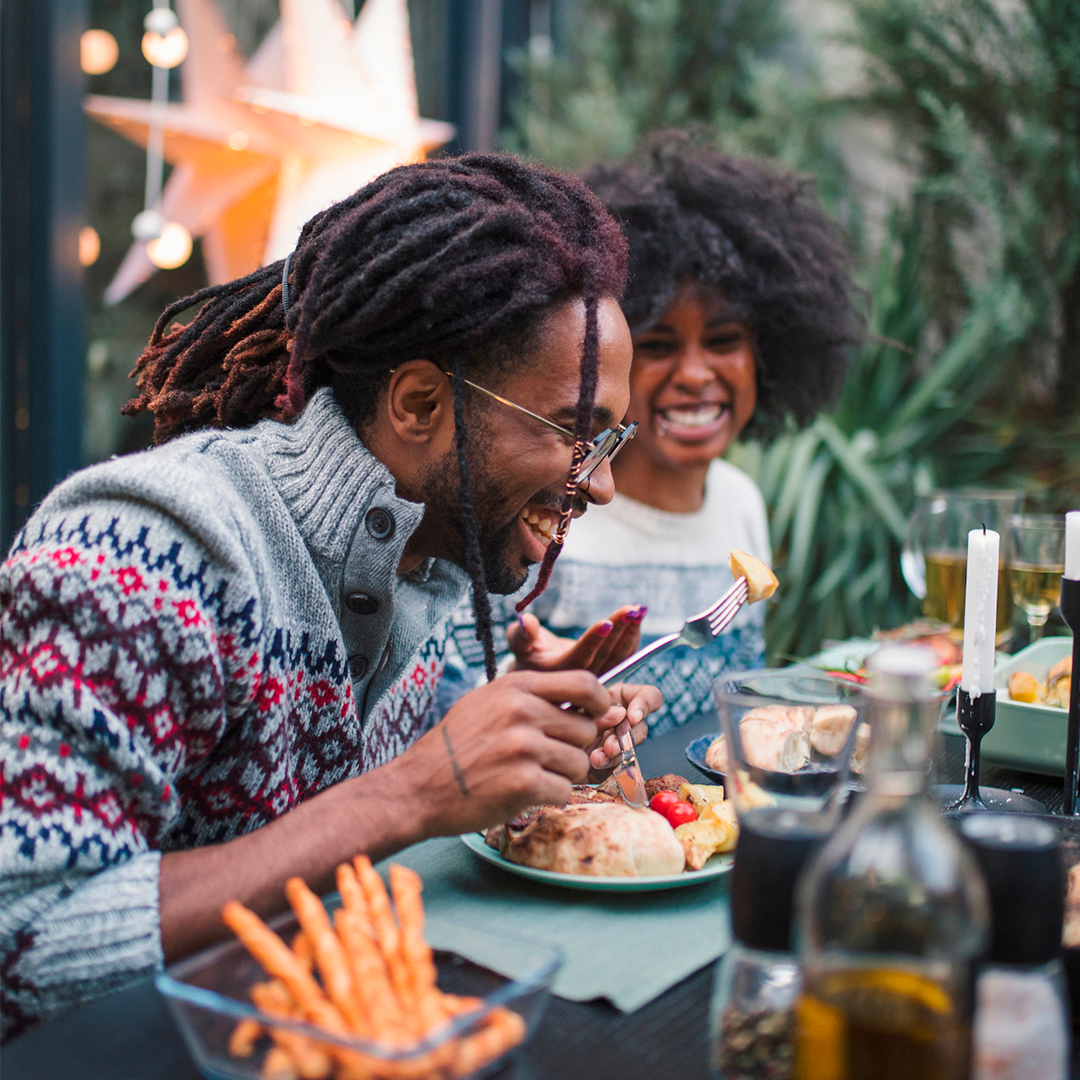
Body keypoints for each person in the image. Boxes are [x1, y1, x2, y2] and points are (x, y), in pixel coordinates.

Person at [0, 153, 661, 1037]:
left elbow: (456, 779)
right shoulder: (141, 553)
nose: (605, 484)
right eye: (574, 436)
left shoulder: (440, 552)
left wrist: (552, 732)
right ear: (420, 403)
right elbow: (28, 940)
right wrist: (408, 795)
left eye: (610, 438)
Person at [440, 138, 860, 732]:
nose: (695, 375)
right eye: (658, 346)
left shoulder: (741, 503)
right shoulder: (540, 514)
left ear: (766, 355)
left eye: (723, 341)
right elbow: (465, 704)